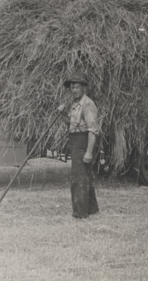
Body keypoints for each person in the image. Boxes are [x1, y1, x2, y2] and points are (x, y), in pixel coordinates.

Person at [57, 71, 99, 219]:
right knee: (85, 176)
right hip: (75, 140)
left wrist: (88, 152)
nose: (74, 90)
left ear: (83, 88)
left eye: (77, 87)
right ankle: (92, 209)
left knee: (78, 177)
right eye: (72, 87)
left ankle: (80, 213)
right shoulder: (76, 104)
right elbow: (72, 124)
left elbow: (93, 130)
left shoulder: (87, 104)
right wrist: (63, 115)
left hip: (83, 142)